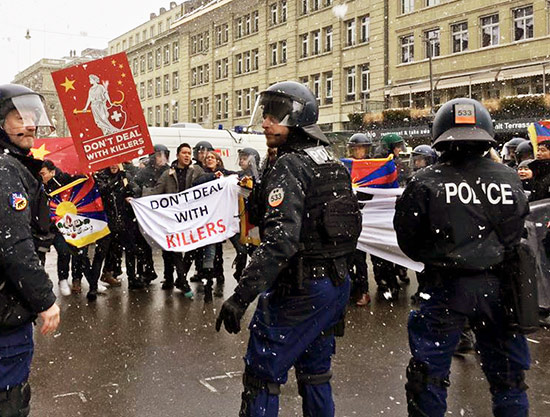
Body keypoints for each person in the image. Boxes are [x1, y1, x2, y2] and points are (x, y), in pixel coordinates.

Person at [216, 81, 362, 416]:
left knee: (262, 375)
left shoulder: (291, 164)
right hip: (333, 285)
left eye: (274, 115)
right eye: (264, 113)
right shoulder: (331, 161)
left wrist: (241, 297)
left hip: (300, 286)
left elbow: (281, 240)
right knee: (315, 372)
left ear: (297, 118)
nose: (265, 122)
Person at [394, 98, 530, 417]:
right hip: (500, 289)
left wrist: (446, 253)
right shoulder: (510, 178)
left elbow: (408, 241)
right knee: (509, 381)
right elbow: (515, 233)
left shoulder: (424, 181)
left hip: (445, 289)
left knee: (428, 379)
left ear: (440, 137)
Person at [0, 83, 61, 416]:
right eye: (19, 117)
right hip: (6, 312)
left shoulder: (14, 166)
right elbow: (13, 243)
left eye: (33, 116)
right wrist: (44, 300)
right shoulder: (5, 170)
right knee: (10, 398)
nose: (30, 124)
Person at [150, 142, 204, 296]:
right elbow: (157, 191)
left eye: (189, 153)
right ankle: (172, 279)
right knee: (171, 250)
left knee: (191, 248)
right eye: (184, 153)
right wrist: (138, 199)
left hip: (190, 218)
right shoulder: (168, 174)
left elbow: (205, 183)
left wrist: (217, 177)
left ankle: (181, 278)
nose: (187, 155)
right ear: (177, 155)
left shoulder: (196, 171)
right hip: (172, 218)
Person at [347, 133, 374, 306]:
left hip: (366, 219)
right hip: (348, 219)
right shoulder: (346, 166)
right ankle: (350, 289)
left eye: (362, 148)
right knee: (348, 258)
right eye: (356, 148)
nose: (359, 151)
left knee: (360, 259)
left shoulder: (372, 167)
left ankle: (363, 290)